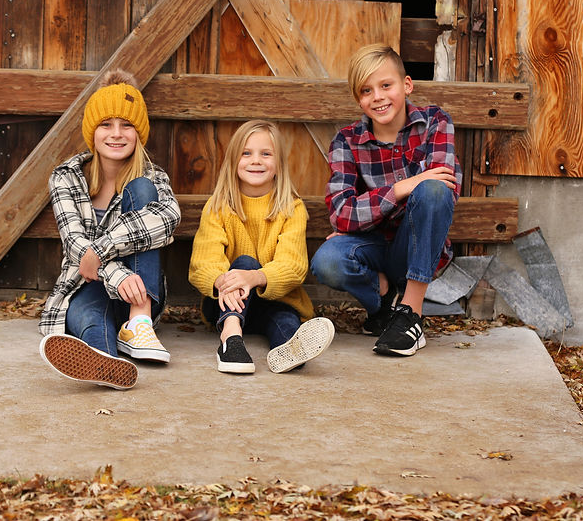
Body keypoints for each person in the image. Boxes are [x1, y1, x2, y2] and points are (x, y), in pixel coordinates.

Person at [310, 44, 460, 357]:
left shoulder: (435, 123)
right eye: (366, 91)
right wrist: (403, 187)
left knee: (433, 190)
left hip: (417, 246)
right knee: (328, 260)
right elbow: (340, 213)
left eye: (386, 85)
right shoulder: (347, 141)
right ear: (358, 99)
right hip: (373, 248)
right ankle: (383, 300)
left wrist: (368, 209)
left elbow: (442, 190)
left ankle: (410, 314)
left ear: (407, 85)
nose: (377, 97)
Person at [38, 70, 181, 389]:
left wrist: (101, 251)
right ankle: (107, 365)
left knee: (142, 190)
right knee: (90, 317)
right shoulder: (66, 177)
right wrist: (117, 274)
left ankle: (139, 322)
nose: (116, 134)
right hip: (86, 283)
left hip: (140, 294)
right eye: (106, 124)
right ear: (92, 131)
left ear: (138, 133)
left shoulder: (153, 177)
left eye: (126, 125)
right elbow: (75, 244)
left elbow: (168, 218)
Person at [189, 120, 334, 374]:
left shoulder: (291, 207)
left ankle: (291, 351)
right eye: (246, 153)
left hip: (273, 301)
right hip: (224, 303)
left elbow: (293, 265)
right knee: (245, 262)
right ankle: (230, 338)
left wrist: (255, 278)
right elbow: (204, 262)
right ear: (233, 161)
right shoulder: (218, 206)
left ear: (279, 164)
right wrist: (225, 280)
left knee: (285, 320)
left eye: (266, 154)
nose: (256, 160)